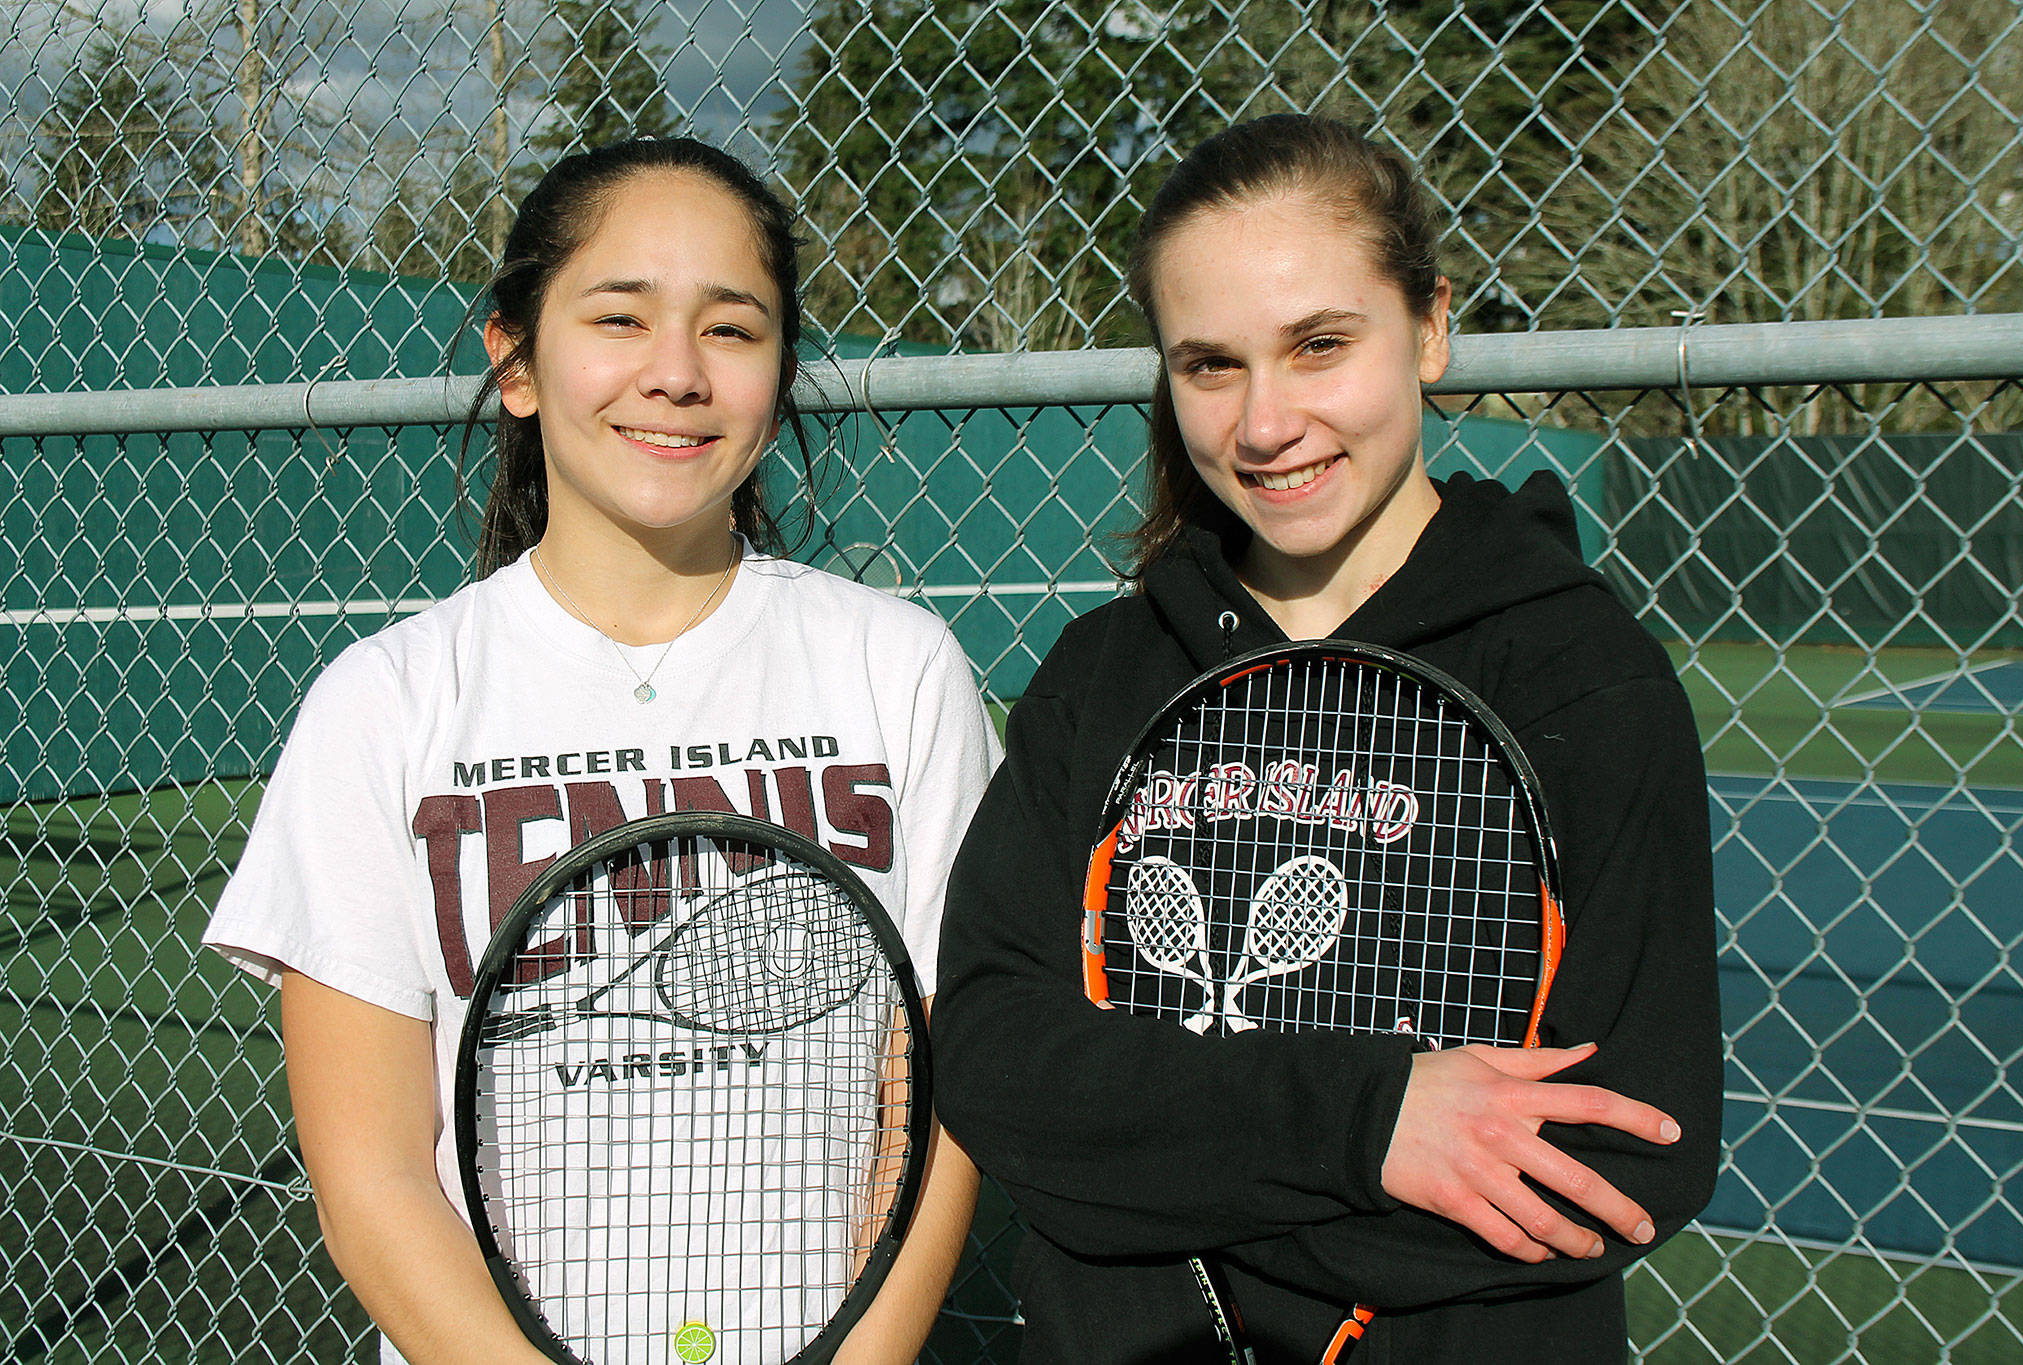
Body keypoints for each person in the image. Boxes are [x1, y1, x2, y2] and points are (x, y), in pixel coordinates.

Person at [932, 114, 1721, 1362]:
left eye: (1317, 346)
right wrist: (1372, 1125)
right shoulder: (1103, 676)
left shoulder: (1575, 672)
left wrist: (1145, 1174)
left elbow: (1616, 1159)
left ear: (1429, 329)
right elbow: (992, 1059)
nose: (1262, 423)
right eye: (1208, 364)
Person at [204, 137, 999, 1365]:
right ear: (514, 360)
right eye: (619, 319)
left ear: (780, 370)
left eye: (731, 331)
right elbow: (369, 1180)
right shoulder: (385, 702)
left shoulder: (898, 671)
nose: (675, 375)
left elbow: (943, 1104)